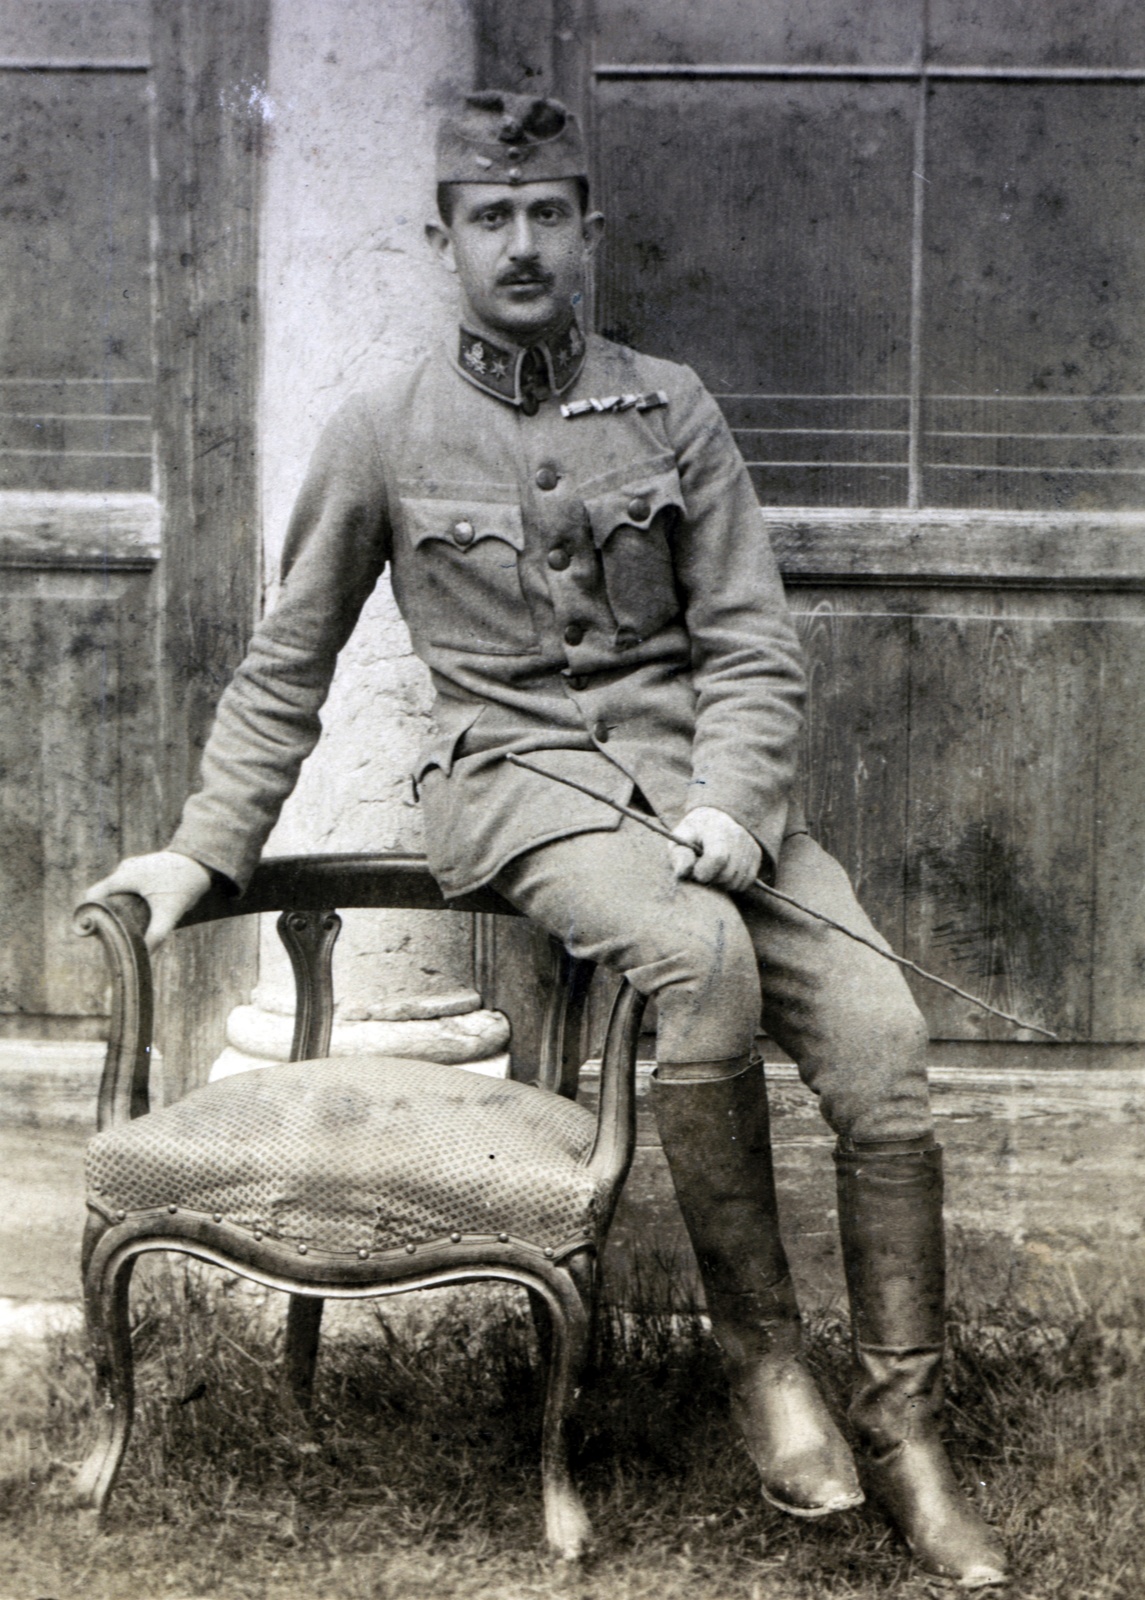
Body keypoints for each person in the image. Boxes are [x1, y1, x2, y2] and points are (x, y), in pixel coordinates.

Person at [88, 91, 1007, 1587]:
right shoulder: (382, 429)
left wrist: (725, 799)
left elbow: (752, 646)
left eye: (546, 214)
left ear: (586, 230)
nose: (520, 244)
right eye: (488, 217)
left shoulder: (670, 406)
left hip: (707, 792)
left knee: (883, 1037)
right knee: (693, 954)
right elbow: (286, 666)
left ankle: (905, 1426)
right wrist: (200, 852)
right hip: (520, 786)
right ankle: (765, 1366)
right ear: (440, 236)